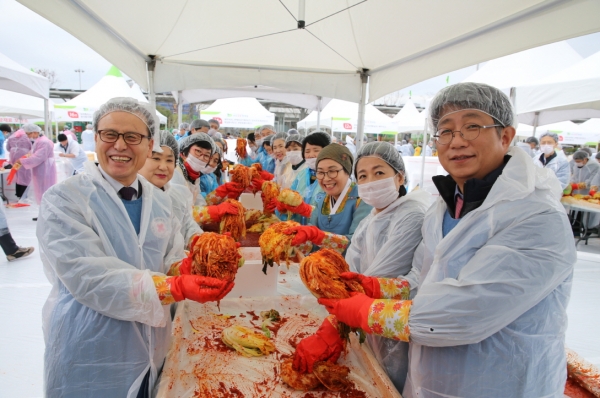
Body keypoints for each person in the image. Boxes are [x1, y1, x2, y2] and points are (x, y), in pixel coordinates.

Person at [316, 82, 575, 398]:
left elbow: (466, 312)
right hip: (432, 379)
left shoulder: (535, 215)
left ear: (505, 136)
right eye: (446, 131)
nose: (457, 141)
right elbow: (423, 281)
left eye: (471, 127)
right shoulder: (444, 206)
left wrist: (365, 311)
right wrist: (378, 288)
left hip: (501, 382)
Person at [37, 97, 233, 397]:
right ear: (96, 136)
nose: (120, 146)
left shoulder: (162, 201)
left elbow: (169, 256)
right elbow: (88, 277)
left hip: (151, 344)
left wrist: (194, 268)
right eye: (110, 135)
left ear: (149, 143)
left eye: (133, 137)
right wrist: (177, 287)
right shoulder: (65, 200)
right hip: (91, 345)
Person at [292, 142, 430, 392]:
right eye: (363, 176)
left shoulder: (411, 215)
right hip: (366, 318)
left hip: (395, 322)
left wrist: (333, 327)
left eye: (379, 173)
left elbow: (388, 278)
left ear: (400, 176)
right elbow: (351, 269)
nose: (370, 182)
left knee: (390, 383)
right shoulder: (372, 218)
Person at [272, 144, 372, 255]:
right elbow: (313, 245)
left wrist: (318, 236)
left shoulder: (362, 199)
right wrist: (290, 239)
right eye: (320, 172)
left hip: (350, 269)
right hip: (320, 266)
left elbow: (358, 245)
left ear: (347, 171)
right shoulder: (322, 199)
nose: (326, 178)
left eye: (332, 171)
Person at [139, 130, 201, 248]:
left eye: (169, 160)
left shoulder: (177, 197)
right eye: (156, 158)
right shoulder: (132, 197)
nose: (163, 167)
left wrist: (206, 244)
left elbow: (189, 228)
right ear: (140, 158)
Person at [172, 133, 243, 224]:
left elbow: (201, 203)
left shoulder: (194, 177)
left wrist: (222, 191)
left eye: (206, 155)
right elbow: (183, 213)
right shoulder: (175, 174)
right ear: (184, 153)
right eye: (198, 151)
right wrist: (216, 211)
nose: (201, 158)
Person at [287, 131, 330, 223]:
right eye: (307, 151)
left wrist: (306, 210)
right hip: (297, 230)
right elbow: (290, 197)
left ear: (327, 151)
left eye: (316, 150)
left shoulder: (332, 177)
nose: (311, 155)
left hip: (320, 233)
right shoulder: (301, 175)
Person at [16, 124, 56, 219]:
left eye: (28, 134)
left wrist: (22, 161)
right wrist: (26, 157)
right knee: (40, 191)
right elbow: (34, 154)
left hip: (45, 170)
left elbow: (38, 157)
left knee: (45, 191)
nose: (28, 136)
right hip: (40, 169)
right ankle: (43, 214)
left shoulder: (44, 142)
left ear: (35, 132)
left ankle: (48, 214)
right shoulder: (39, 141)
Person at [4, 128, 32, 199]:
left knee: (17, 175)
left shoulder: (11, 137)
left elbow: (8, 148)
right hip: (24, 157)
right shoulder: (27, 137)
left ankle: (18, 194)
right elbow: (31, 147)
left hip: (13, 156)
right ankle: (23, 194)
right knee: (25, 175)